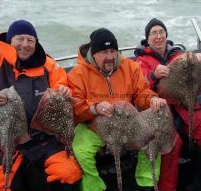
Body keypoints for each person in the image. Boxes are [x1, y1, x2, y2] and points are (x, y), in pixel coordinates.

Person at [0, 19, 83, 191]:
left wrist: (63, 91)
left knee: (69, 173)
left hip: (41, 137)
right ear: (9, 40)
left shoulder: (49, 64)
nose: (25, 44)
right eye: (20, 39)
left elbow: (63, 85)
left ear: (36, 42)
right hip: (1, 140)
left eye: (30, 40)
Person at [135, 18, 201, 191]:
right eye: (154, 33)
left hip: (186, 105)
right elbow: (138, 87)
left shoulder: (179, 54)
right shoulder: (140, 61)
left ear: (166, 35)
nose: (158, 36)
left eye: (161, 32)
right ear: (147, 39)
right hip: (161, 112)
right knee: (172, 146)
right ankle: (168, 188)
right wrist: (153, 75)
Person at [67, 28, 167, 191]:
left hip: (127, 123)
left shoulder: (131, 67)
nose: (110, 57)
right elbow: (75, 107)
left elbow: (141, 93)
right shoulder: (78, 73)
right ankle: (94, 186)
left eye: (113, 51)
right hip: (94, 126)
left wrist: (152, 99)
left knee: (153, 135)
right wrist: (94, 108)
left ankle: (146, 182)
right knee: (79, 150)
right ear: (93, 54)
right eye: (104, 52)